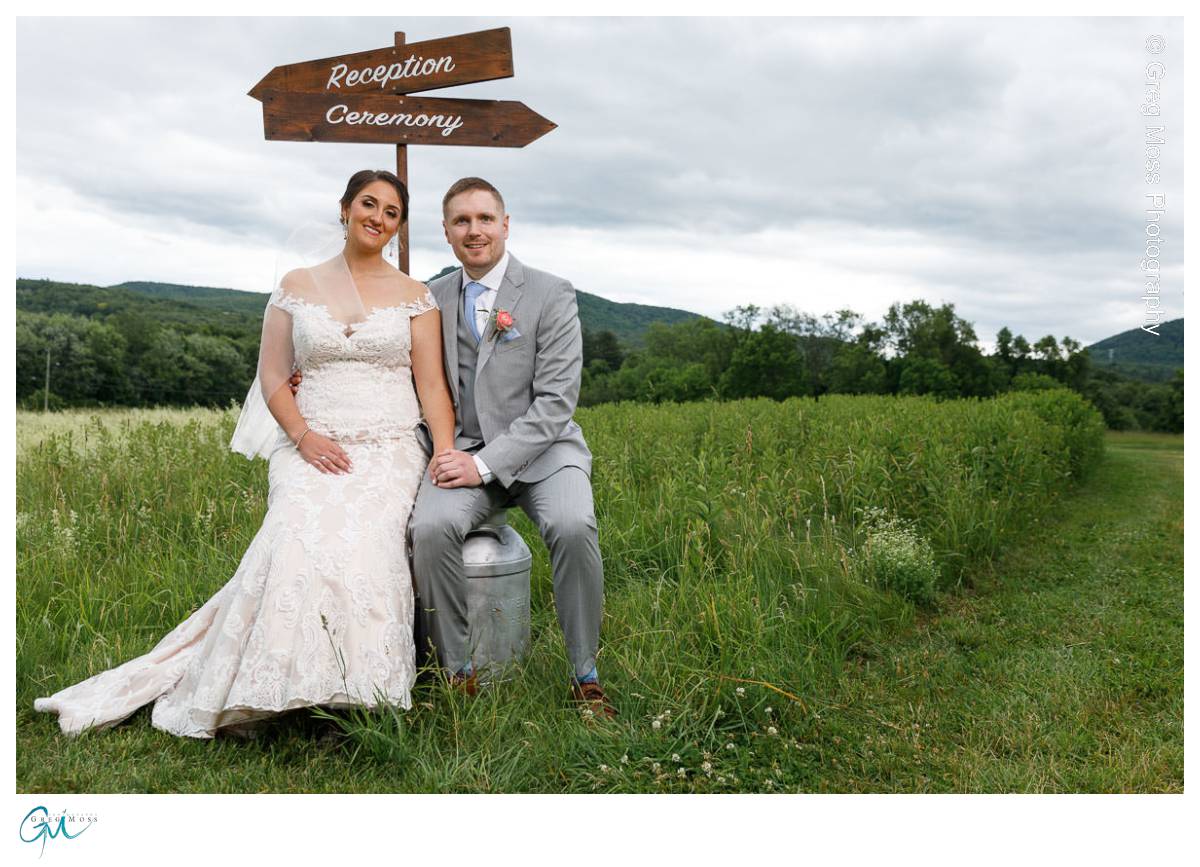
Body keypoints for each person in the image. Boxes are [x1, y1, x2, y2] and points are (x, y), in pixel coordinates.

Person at [34, 170, 455, 738]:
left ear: (400, 226)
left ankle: (358, 697)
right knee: (294, 534)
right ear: (344, 208)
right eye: (368, 204)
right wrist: (305, 438)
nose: (377, 218)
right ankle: (269, 691)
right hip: (310, 443)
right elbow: (274, 377)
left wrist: (445, 452)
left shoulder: (414, 296)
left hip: (387, 447)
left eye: (391, 212)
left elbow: (431, 386)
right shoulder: (298, 284)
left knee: (364, 540)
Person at [412, 177, 614, 718]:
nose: (473, 230)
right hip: (461, 448)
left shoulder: (551, 292)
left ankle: (584, 675)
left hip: (546, 453)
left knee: (573, 526)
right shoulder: (430, 298)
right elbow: (404, 374)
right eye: (461, 221)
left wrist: (483, 465)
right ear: (447, 232)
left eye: (484, 218)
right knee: (428, 530)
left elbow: (555, 404)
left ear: (505, 224)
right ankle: (455, 672)